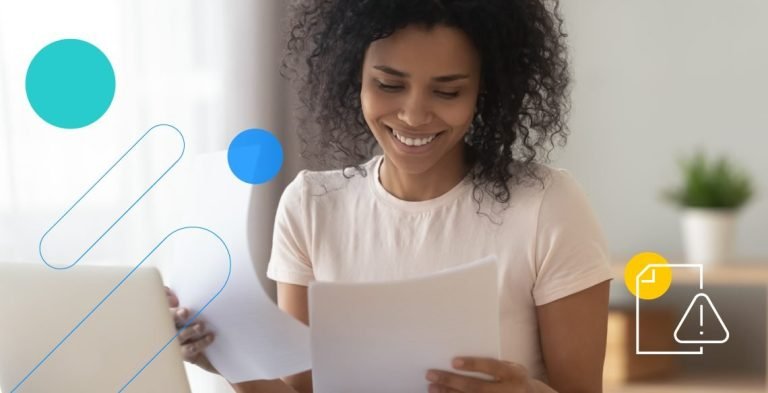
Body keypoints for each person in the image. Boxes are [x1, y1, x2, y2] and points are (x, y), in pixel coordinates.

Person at [170, 0, 613, 392]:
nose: (414, 114)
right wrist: (224, 355)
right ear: (355, 77)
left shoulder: (545, 206)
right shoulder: (311, 204)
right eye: (389, 84)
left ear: (485, 92)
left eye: (447, 91)